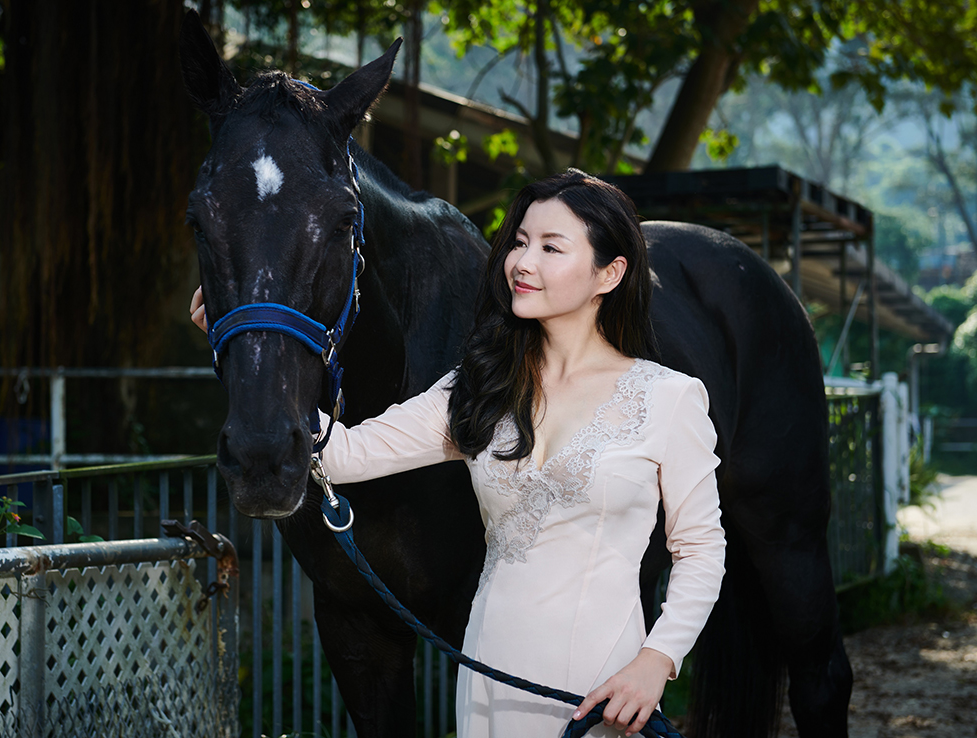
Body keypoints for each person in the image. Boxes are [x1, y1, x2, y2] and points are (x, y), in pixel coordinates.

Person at [190, 169, 725, 738]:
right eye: (519, 242)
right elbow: (345, 453)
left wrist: (657, 661)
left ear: (609, 273)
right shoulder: (478, 388)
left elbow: (701, 549)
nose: (522, 262)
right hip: (489, 681)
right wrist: (250, 356)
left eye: (550, 247)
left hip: (605, 689)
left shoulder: (668, 398)